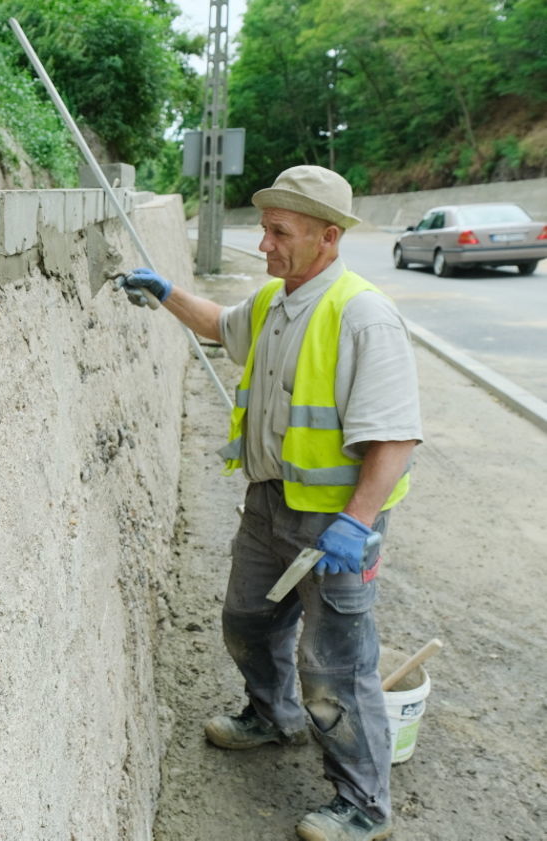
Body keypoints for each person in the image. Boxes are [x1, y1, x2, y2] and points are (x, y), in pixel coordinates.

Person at [117, 165, 421, 841]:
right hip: (270, 505)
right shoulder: (275, 303)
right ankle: (273, 716)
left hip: (338, 524)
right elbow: (223, 325)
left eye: (280, 232)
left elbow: (396, 435)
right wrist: (167, 293)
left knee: (335, 664)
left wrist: (357, 522)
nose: (265, 245)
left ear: (328, 238)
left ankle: (363, 805)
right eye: (266, 229)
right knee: (247, 621)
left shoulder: (362, 313)